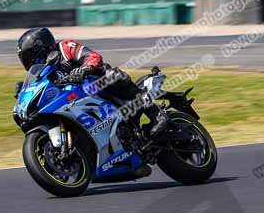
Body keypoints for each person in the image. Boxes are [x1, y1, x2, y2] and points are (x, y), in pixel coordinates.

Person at [15, 27, 167, 139]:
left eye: (29, 56)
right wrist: (24, 90)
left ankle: (156, 114)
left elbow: (93, 56)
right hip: (74, 100)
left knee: (112, 76)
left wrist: (84, 69)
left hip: (95, 84)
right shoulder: (41, 71)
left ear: (40, 47)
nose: (27, 62)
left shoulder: (65, 48)